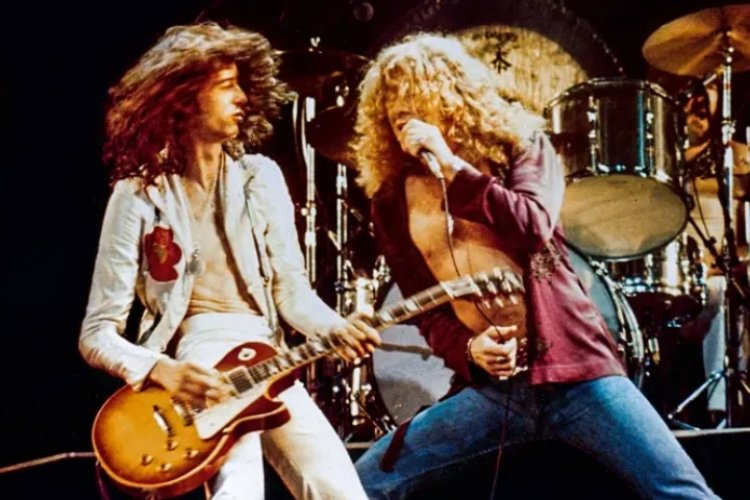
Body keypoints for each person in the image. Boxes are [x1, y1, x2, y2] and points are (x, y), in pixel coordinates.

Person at [352, 33, 718, 499]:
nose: (398, 107)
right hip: (495, 391)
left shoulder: (520, 148)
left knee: (683, 492)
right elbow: (427, 311)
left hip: (577, 373)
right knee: (361, 484)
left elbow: (532, 224)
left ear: (452, 95)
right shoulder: (389, 203)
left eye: (411, 90)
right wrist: (469, 349)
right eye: (388, 98)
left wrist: (451, 166)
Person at [78, 22, 380, 499]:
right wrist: (162, 370)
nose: (241, 98)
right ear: (183, 97)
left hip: (266, 354)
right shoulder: (139, 194)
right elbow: (96, 334)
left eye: (242, 85)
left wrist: (335, 327)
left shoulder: (260, 177)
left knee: (339, 488)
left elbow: (291, 292)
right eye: (225, 86)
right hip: (196, 354)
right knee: (241, 486)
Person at [681, 81, 749, 424]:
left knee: (722, 292)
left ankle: (721, 411)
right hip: (681, 274)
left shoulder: (739, 156)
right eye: (690, 94)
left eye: (706, 88)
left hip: (729, 271)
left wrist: (741, 262)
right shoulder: (670, 161)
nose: (698, 101)